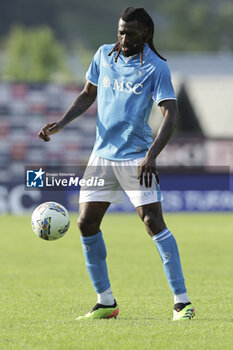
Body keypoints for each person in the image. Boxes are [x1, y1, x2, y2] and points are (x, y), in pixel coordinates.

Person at [39, 7, 195, 321]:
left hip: (136, 157)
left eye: (131, 33)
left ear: (147, 34)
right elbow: (87, 95)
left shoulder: (156, 68)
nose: (124, 38)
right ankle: (105, 302)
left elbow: (171, 114)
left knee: (152, 222)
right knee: (85, 223)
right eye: (121, 31)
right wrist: (62, 123)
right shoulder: (103, 56)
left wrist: (151, 155)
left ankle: (182, 303)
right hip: (101, 156)